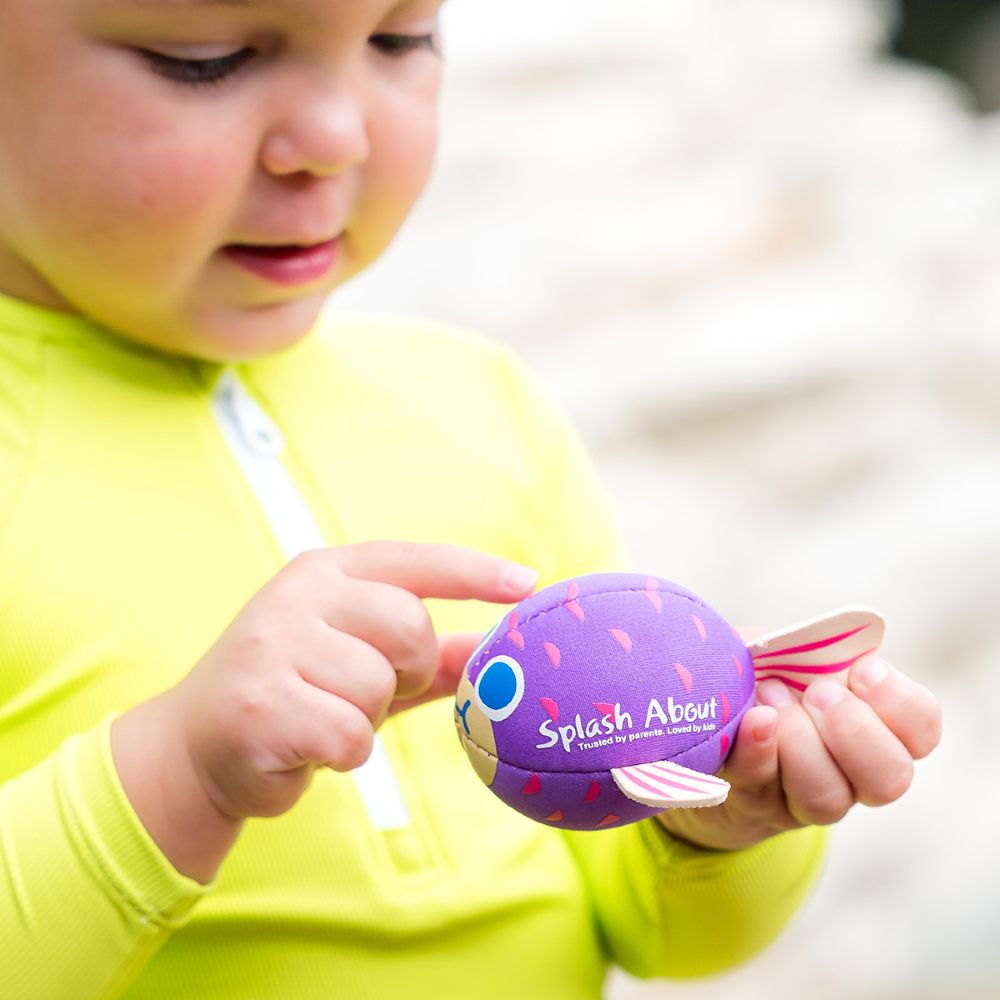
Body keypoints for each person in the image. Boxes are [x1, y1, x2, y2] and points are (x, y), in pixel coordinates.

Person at [0, 1, 942, 997]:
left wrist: (715, 820)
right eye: (205, 59)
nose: (339, 135)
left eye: (397, 40)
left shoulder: (478, 404)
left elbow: (660, 935)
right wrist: (173, 776)